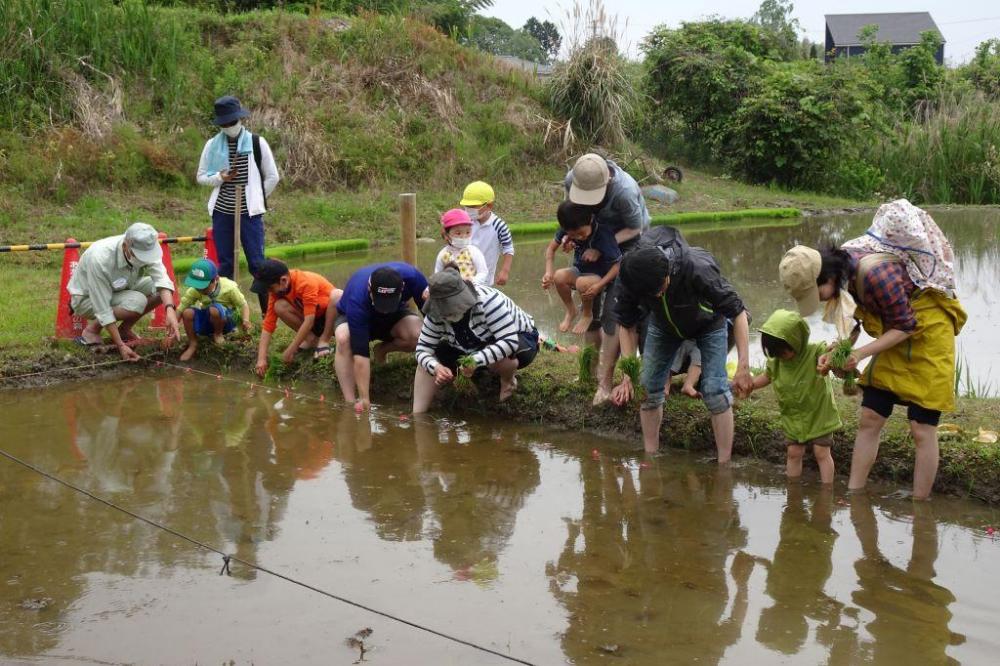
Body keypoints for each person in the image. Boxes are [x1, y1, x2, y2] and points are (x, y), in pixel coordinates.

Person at [780, 201, 966, 499]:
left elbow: (906, 326)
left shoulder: (876, 275)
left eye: (816, 294)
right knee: (870, 417)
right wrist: (839, 350)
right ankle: (855, 496)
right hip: (894, 329)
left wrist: (861, 354)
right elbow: (858, 316)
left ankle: (921, 507)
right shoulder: (842, 268)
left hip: (928, 330)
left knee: (921, 427)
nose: (819, 301)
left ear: (825, 278)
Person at [609, 227, 753, 460]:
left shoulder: (697, 268)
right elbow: (626, 324)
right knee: (647, 389)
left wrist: (743, 367)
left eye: (661, 290)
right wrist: (628, 375)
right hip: (663, 326)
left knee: (715, 390)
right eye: (651, 295)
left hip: (709, 324)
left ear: (667, 273)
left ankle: (724, 465)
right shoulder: (630, 278)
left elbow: (738, 313)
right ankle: (650, 456)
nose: (658, 296)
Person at [564, 153, 651, 405]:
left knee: (615, 312)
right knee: (589, 306)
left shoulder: (625, 190)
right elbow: (573, 216)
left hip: (625, 246)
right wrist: (572, 237)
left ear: (607, 182)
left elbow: (636, 229)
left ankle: (605, 382)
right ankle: (588, 375)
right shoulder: (573, 179)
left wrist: (602, 247)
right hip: (590, 244)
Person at [413, 266, 539, 411]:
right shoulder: (435, 313)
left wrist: (475, 360)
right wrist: (436, 368)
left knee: (501, 355)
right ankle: (418, 416)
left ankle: (508, 380)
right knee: (430, 360)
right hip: (471, 346)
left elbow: (509, 342)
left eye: (449, 308)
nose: (446, 314)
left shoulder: (487, 301)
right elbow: (422, 350)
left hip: (519, 339)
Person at [196, 95, 279, 313]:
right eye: (224, 124)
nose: (228, 127)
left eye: (232, 122)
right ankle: (227, 315)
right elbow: (202, 176)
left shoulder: (256, 143)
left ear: (240, 120)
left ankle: (266, 313)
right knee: (225, 264)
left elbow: (272, 176)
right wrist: (220, 177)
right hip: (223, 211)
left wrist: (256, 198)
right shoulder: (212, 145)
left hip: (249, 214)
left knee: (257, 264)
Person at [745, 310, 842, 484]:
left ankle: (827, 490)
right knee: (793, 453)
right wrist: (750, 385)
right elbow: (767, 376)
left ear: (796, 341)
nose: (781, 357)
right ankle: (793, 492)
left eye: (783, 352)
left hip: (819, 413)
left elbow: (829, 352)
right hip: (793, 415)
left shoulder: (814, 352)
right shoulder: (776, 362)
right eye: (775, 353)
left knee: (821, 452)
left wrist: (835, 351)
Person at [67, 222, 180, 361]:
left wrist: (170, 309)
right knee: (137, 302)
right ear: (126, 246)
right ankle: (92, 331)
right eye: (140, 256)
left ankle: (124, 330)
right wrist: (120, 346)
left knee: (160, 290)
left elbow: (162, 279)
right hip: (88, 298)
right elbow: (102, 307)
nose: (144, 260)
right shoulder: (100, 258)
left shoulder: (145, 244)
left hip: (122, 287)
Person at [335, 262, 428, 411]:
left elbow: (431, 315)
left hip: (394, 317)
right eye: (381, 302)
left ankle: (382, 350)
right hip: (357, 318)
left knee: (419, 335)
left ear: (402, 289)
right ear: (370, 290)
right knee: (344, 339)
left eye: (388, 302)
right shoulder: (357, 297)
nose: (384, 310)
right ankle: (350, 401)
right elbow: (361, 356)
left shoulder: (413, 278)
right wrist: (365, 398)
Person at [542, 199, 622, 335]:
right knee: (558, 276)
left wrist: (599, 285)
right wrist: (548, 272)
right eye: (572, 235)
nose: (578, 237)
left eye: (581, 233)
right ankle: (571, 310)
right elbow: (550, 250)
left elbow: (618, 265)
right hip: (580, 271)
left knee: (581, 282)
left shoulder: (603, 234)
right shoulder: (568, 228)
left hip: (601, 277)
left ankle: (587, 314)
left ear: (590, 220)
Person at [251, 259, 340, 377]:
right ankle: (312, 340)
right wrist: (261, 359)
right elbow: (268, 324)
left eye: (270, 288)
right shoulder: (276, 292)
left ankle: (324, 341)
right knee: (279, 306)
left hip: (330, 319)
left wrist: (290, 350)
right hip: (313, 318)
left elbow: (309, 321)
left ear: (283, 280)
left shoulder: (305, 282)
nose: (269, 292)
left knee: (337, 295)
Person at [177, 258, 252, 362]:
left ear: (216, 279)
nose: (200, 290)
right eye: (198, 287)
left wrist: (245, 320)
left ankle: (218, 334)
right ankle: (193, 343)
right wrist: (171, 332)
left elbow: (243, 304)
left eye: (204, 287)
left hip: (226, 322)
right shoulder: (195, 290)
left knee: (215, 308)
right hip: (208, 322)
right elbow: (181, 308)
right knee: (187, 312)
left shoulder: (229, 288)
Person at [461, 181, 514, 286]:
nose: (469, 210)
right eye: (467, 206)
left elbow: (508, 249)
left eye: (473, 206)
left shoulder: (499, 226)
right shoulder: (465, 221)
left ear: (489, 206)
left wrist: (505, 271)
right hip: (462, 276)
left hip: (484, 281)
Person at [434, 208, 489, 284]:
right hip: (450, 292)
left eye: (467, 232)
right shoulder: (443, 254)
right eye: (458, 233)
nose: (463, 236)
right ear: (447, 235)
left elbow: (483, 272)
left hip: (470, 291)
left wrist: (473, 280)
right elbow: (437, 276)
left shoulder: (473, 251)